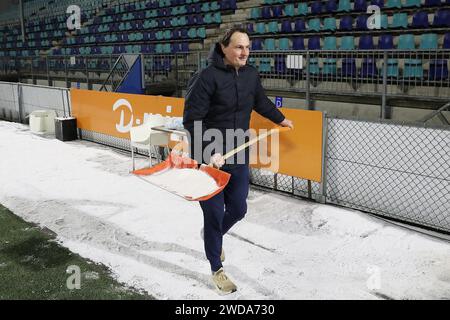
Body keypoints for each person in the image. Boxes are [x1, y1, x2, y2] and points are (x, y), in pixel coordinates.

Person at [182, 26, 293, 294]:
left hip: (238, 155)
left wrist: (280, 118)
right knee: (213, 214)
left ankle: (214, 235)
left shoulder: (251, 75)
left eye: (247, 47)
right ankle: (216, 268)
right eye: (239, 47)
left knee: (239, 209)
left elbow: (260, 101)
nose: (244, 52)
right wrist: (209, 153)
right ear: (224, 48)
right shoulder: (206, 77)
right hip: (209, 160)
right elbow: (192, 120)